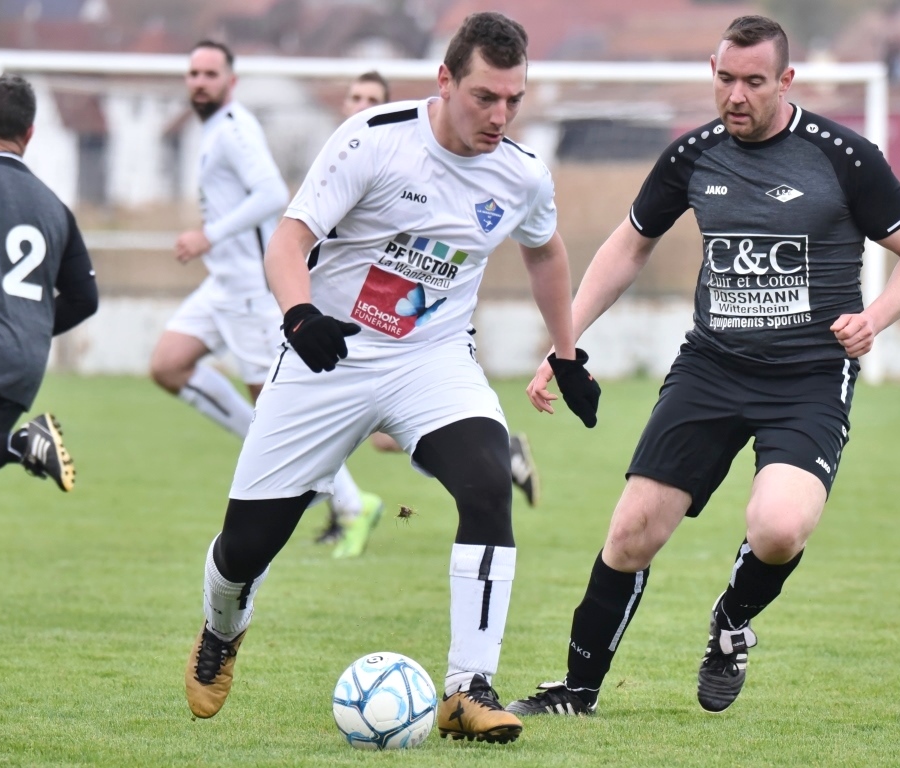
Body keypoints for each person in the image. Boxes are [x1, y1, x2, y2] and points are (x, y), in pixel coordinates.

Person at [507, 14, 900, 717]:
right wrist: (563, 342)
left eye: (754, 82)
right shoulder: (693, 155)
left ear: (785, 80)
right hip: (711, 368)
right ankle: (576, 694)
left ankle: (732, 620)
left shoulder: (843, 157)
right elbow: (628, 245)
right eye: (725, 79)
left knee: (778, 528)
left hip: (808, 376)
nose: (736, 96)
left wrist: (875, 317)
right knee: (632, 531)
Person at [183, 12, 600, 744]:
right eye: (484, 97)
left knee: (487, 482)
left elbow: (545, 252)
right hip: (329, 355)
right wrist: (300, 316)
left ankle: (468, 689)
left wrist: (566, 354)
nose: (498, 116)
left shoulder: (522, 174)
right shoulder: (373, 140)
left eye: (512, 100)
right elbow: (288, 241)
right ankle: (222, 628)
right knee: (245, 546)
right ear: (445, 81)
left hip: (432, 361)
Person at [149, 41, 382, 558]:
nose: (199, 82)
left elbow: (272, 194)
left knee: (275, 405)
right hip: (222, 285)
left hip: (252, 289)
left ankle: (352, 502)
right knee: (167, 365)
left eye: (210, 74)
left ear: (231, 81)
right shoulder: (214, 129)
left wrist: (209, 235)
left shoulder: (235, 129)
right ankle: (327, 490)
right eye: (193, 73)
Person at [312, 70, 543, 547]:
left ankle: (351, 507)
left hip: (412, 331)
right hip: (336, 324)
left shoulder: (416, 155)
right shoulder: (348, 154)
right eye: (354, 96)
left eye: (371, 98)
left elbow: (533, 247)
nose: (360, 105)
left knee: (383, 432)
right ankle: (344, 506)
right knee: (374, 437)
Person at [0, 74, 98, 492]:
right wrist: (27, 325)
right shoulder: (55, 209)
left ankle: (22, 444)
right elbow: (84, 298)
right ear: (30, 133)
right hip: (22, 361)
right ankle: (22, 444)